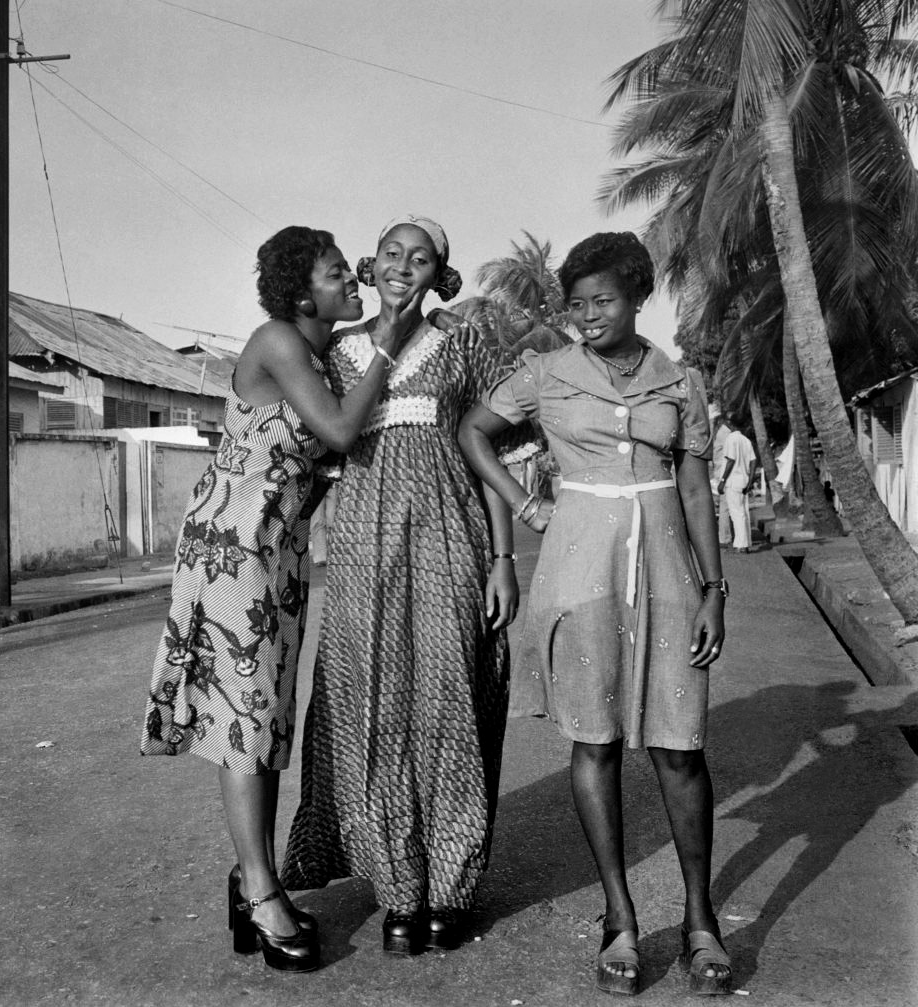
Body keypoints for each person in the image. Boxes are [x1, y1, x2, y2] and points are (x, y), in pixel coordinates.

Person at [139, 226, 425, 973]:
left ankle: (253, 881)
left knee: (263, 718)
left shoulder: (314, 348)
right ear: (304, 293)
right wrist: (390, 343)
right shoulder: (278, 340)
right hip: (235, 546)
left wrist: (411, 314)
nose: (354, 277)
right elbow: (336, 427)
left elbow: (357, 367)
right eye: (338, 272)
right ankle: (260, 891)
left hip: (275, 546)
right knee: (245, 719)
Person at [458, 232, 733, 997]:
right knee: (597, 740)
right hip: (578, 569)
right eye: (575, 303)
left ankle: (701, 918)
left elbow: (695, 493)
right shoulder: (545, 374)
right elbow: (473, 430)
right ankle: (620, 917)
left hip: (669, 573)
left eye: (602, 300)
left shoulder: (680, 382)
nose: (586, 315)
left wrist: (715, 589)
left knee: (680, 746)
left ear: (638, 295)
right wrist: (520, 505)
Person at [281, 215, 518, 956]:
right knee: (371, 706)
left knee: (446, 699)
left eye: (420, 258)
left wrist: (504, 558)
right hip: (358, 546)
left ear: (438, 272)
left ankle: (448, 886)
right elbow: (305, 443)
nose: (402, 267)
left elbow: (487, 452)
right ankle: (397, 889)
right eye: (391, 254)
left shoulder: (462, 342)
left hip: (451, 540)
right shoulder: (338, 352)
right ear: (370, 263)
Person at [717, 416, 757, 554]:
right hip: (744, 480)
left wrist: (722, 481)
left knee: (736, 514)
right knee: (743, 512)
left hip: (733, 481)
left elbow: (731, 460)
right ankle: (745, 543)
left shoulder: (731, 439)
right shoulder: (746, 440)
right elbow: (753, 462)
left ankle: (741, 545)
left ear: (731, 425)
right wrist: (750, 481)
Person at [711, 415, 733, 548]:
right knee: (725, 507)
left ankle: (724, 536)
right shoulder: (725, 433)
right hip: (724, 473)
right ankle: (724, 537)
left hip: (719, 472)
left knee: (722, 506)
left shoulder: (718, 433)